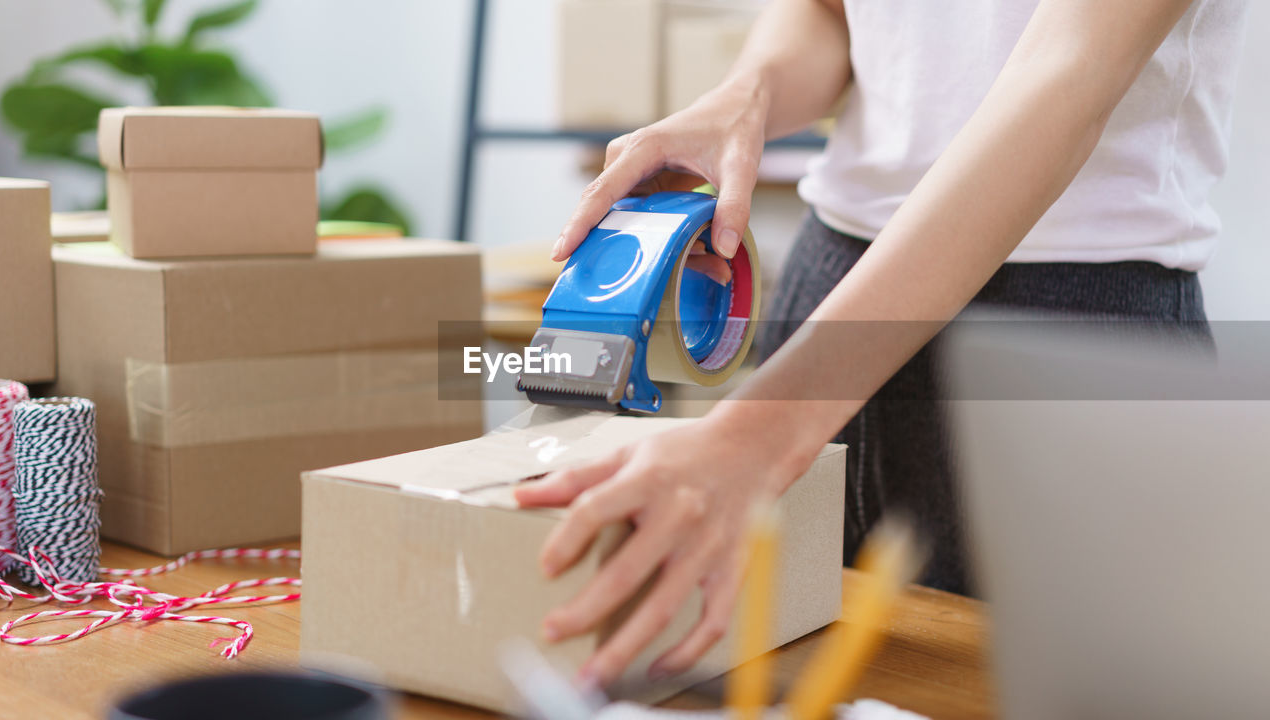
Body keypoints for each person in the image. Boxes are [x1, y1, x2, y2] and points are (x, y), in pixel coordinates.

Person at [513, 0, 1249, 688]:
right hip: (829, 285)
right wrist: (750, 91)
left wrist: (760, 430)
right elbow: (832, 14)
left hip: (1065, 331)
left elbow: (1069, 72)